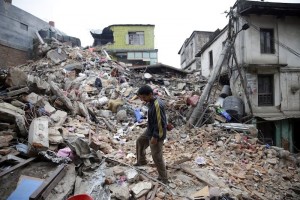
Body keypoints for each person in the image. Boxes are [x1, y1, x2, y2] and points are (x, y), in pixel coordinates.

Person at [134, 85, 168, 183]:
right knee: (140, 141)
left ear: (150, 94)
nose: (142, 100)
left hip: (157, 133)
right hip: (150, 129)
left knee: (156, 156)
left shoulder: (157, 105)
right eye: (141, 98)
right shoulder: (151, 101)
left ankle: (164, 178)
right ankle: (142, 161)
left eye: (144, 97)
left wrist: (155, 137)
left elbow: (161, 122)